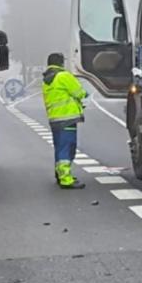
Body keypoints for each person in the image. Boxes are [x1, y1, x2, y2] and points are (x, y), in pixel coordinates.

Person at [41, 53, 87, 189]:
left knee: (60, 148)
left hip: (55, 119)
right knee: (67, 148)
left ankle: (60, 174)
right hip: (67, 118)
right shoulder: (63, 76)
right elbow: (79, 92)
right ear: (61, 63)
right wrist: (85, 95)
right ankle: (66, 179)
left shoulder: (47, 79)